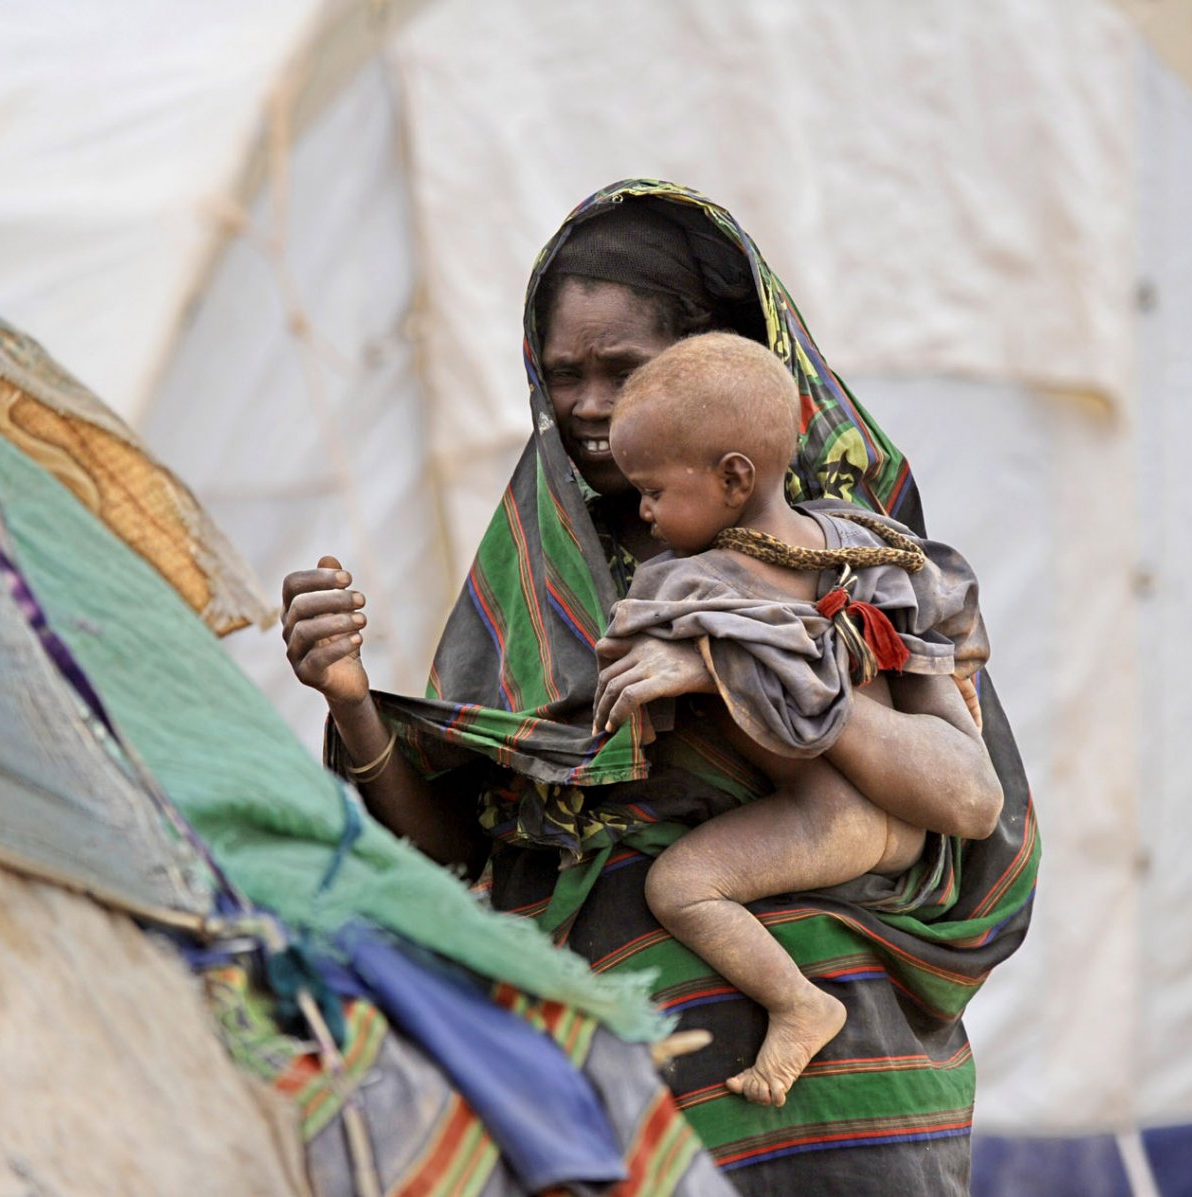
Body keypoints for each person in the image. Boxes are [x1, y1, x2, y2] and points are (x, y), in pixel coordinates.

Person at [281, 180, 1038, 1196]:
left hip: (853, 1083)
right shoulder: (536, 579)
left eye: (620, 371)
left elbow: (967, 804)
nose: (587, 405)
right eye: (561, 376)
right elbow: (460, 849)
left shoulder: (861, 560)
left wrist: (732, 669)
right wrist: (351, 700)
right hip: (624, 1085)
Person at [599, 331, 995, 1108]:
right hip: (907, 824)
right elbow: (943, 623)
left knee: (679, 886)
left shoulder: (689, 583)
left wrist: (691, 666)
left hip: (826, 821)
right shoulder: (868, 543)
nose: (641, 512)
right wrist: (953, 667)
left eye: (650, 490)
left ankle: (797, 1000)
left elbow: (621, 659)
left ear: (734, 478)